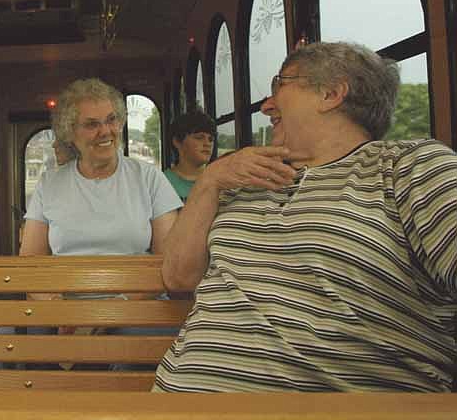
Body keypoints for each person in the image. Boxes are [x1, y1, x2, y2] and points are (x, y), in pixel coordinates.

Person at [153, 42, 457, 392]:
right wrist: (209, 181)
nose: (267, 105)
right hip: (178, 403)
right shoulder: (239, 182)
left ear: (331, 93)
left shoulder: (408, 168)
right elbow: (177, 278)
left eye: (280, 84)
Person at [21, 77, 181, 262]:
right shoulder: (48, 185)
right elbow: (30, 266)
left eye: (111, 120)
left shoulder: (149, 178)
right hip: (65, 291)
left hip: (139, 290)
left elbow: (169, 262)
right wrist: (53, 293)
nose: (105, 131)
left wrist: (123, 294)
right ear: (70, 132)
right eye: (92, 124)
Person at [164, 110, 216, 202]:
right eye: (199, 137)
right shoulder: (163, 182)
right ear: (177, 142)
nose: (207, 144)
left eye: (211, 139)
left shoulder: (219, 180)